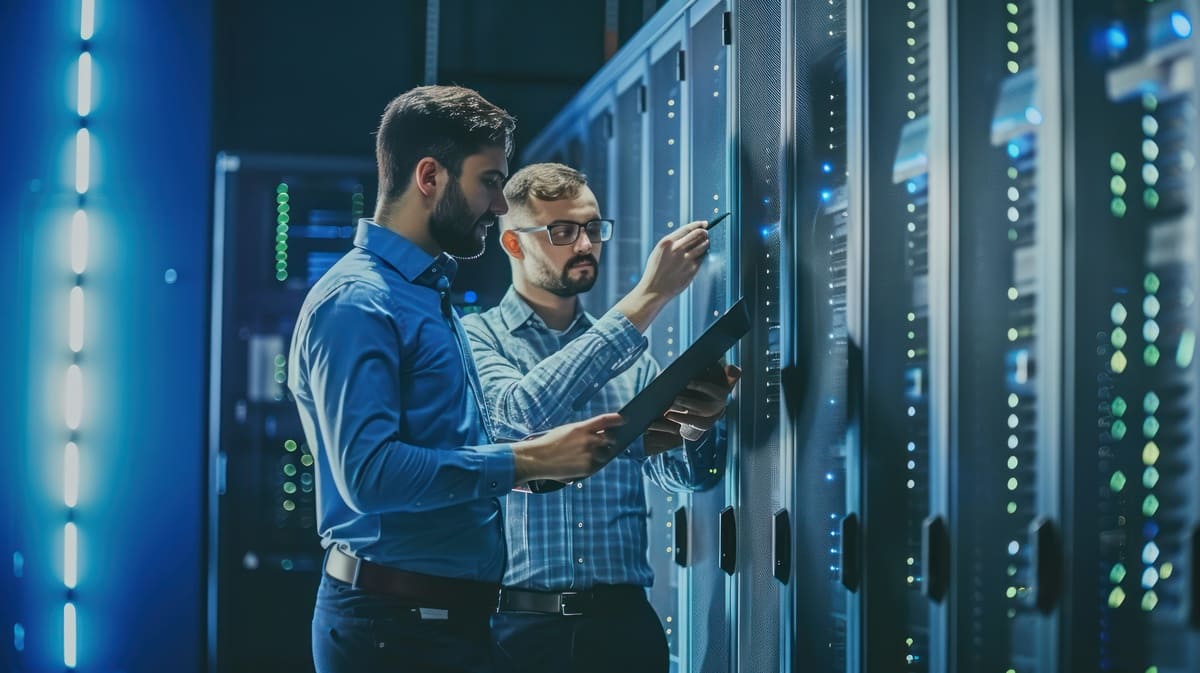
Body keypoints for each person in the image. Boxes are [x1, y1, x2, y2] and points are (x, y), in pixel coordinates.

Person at [288, 89, 624, 673]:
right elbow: (370, 476)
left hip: (437, 622)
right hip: (393, 632)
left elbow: (444, 441)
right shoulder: (359, 303)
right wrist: (525, 462)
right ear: (429, 176)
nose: (499, 205)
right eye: (489, 182)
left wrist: (559, 457)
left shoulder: (423, 291)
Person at [461, 163, 741, 673]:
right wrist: (648, 295)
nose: (586, 244)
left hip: (625, 625)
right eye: (563, 232)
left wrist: (698, 428)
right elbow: (519, 417)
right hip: (519, 631)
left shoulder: (631, 352)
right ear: (514, 245)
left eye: (592, 228)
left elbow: (687, 478)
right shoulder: (477, 337)